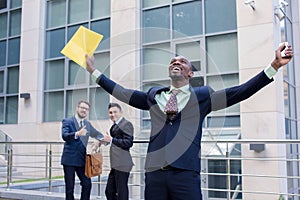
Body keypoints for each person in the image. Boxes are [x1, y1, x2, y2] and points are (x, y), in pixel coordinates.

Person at [84, 43, 293, 200]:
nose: (176, 63)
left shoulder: (203, 96)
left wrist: (273, 66)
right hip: (155, 174)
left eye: (182, 62)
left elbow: (240, 92)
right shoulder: (153, 95)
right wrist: (94, 72)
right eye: (173, 62)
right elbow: (121, 92)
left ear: (190, 73)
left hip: (185, 175)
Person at [61, 100, 104, 200]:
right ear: (77, 108)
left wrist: (98, 141)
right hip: (69, 160)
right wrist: (77, 134)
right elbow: (64, 135)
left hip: (81, 160)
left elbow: (99, 134)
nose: (84, 110)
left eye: (86, 109)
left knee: (87, 184)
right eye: (82, 108)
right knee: (69, 188)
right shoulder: (68, 121)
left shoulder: (87, 124)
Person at [102, 102, 134, 200]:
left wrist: (111, 140)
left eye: (115, 112)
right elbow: (115, 141)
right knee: (110, 191)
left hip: (123, 163)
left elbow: (128, 142)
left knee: (121, 191)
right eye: (110, 113)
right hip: (116, 163)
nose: (113, 115)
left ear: (121, 112)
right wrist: (105, 141)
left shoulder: (126, 124)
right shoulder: (114, 126)